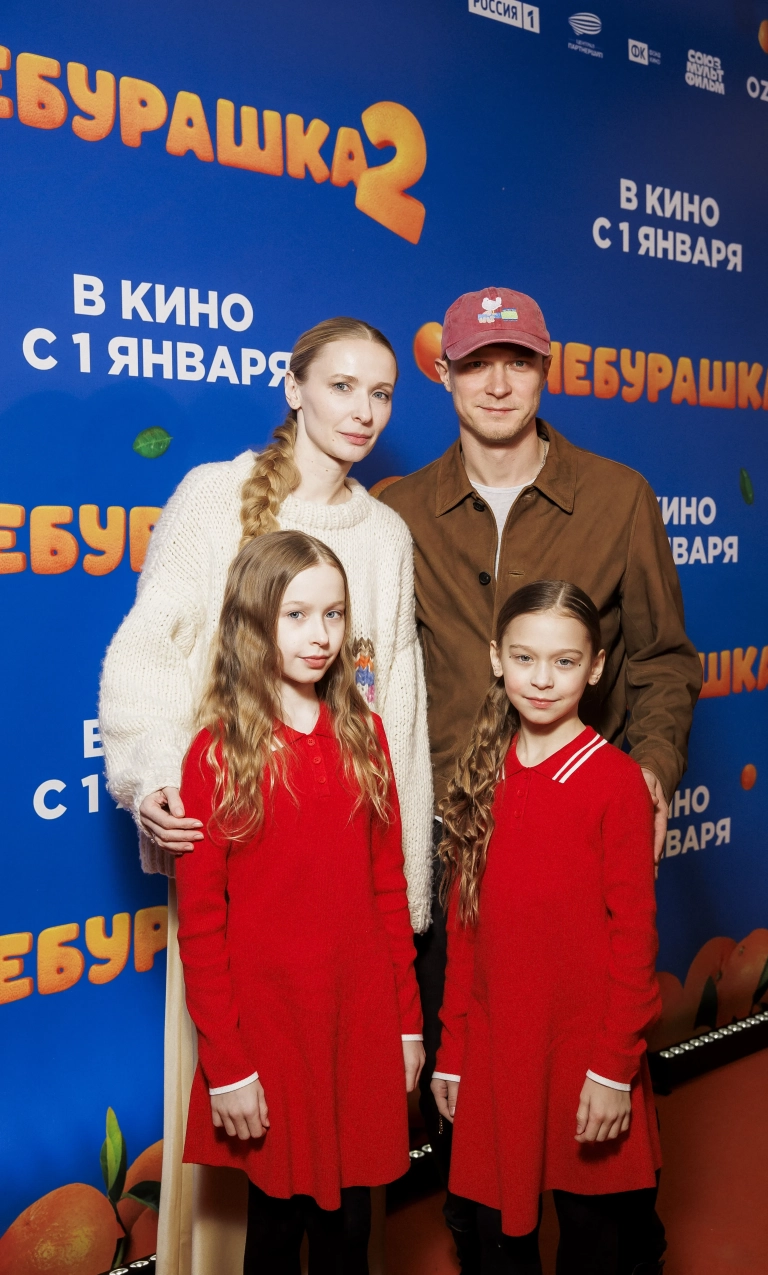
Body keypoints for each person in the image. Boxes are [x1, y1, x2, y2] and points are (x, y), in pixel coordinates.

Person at [99, 317, 432, 1275]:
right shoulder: (214, 494)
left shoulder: (387, 534)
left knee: (343, 1178)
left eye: (382, 393)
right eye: (342, 386)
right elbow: (151, 644)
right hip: (240, 851)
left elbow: (397, 710)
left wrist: (405, 908)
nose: (364, 411)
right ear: (294, 387)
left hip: (344, 884)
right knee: (251, 1145)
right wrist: (151, 774)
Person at [380, 287, 701, 1268]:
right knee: (473, 1128)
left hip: (575, 848)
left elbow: (662, 660)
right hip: (456, 851)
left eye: (516, 360)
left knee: (603, 1147)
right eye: (476, 363)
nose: (497, 383)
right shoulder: (394, 513)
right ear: (444, 374)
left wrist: (651, 771)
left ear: (545, 366)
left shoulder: (618, 495)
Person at [176, 530, 424, 1275]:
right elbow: (202, 927)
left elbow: (388, 888)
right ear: (254, 620)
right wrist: (228, 1066)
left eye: (334, 614)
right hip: (272, 1035)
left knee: (350, 1228)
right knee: (277, 1231)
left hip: (359, 1022)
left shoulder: (365, 735)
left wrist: (407, 1022)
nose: (321, 636)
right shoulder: (217, 753)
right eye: (297, 615)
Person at [432, 581, 665, 1275]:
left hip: (584, 1053)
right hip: (498, 1049)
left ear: (596, 667)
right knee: (497, 1241)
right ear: (495, 657)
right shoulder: (482, 772)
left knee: (592, 1242)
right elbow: (465, 931)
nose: (542, 679)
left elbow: (635, 943)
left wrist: (613, 1069)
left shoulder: (617, 783)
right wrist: (453, 1050)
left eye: (564, 662)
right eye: (524, 657)